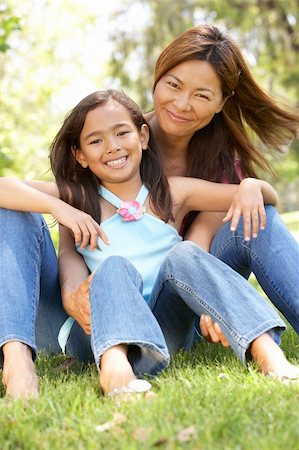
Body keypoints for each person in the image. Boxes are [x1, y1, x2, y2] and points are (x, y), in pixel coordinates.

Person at [2, 89, 298, 400]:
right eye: (95, 141)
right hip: (96, 331)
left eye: (121, 133)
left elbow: (264, 199)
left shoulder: (173, 192)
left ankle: (269, 356)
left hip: (167, 325)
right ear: (80, 155)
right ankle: (114, 373)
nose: (112, 147)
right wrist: (59, 207)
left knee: (185, 253)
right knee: (113, 267)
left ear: (143, 136)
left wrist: (251, 185)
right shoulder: (77, 199)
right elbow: (4, 188)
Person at [142, 23, 299, 341]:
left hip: (190, 299)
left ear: (221, 103)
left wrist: (250, 185)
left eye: (201, 95)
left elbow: (195, 246)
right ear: (158, 77)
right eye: (173, 85)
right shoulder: (121, 144)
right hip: (134, 305)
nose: (182, 104)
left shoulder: (220, 159)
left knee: (258, 216)